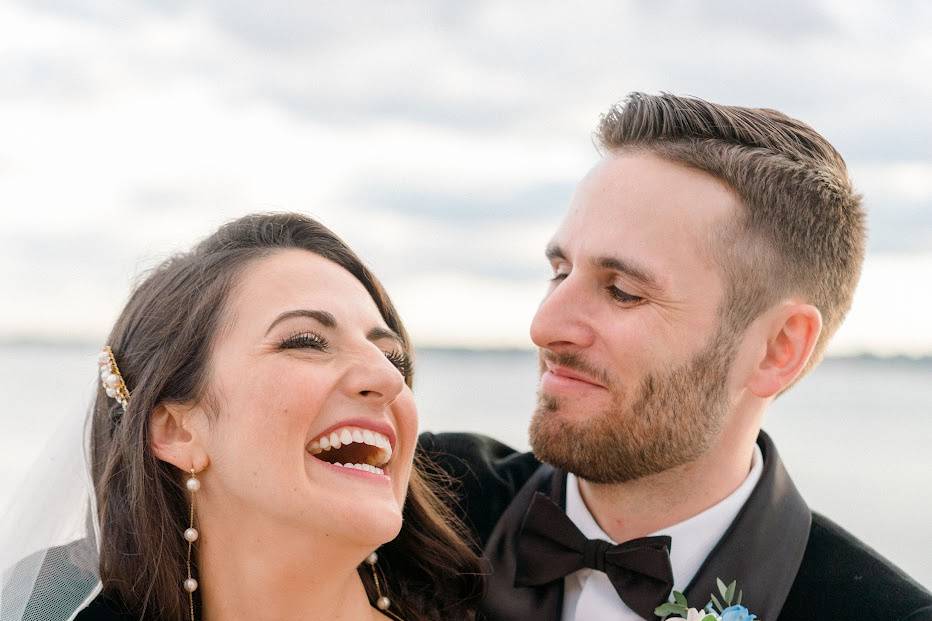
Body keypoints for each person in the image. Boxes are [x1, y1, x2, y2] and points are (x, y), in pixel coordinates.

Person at [420, 93, 932, 621]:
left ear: (778, 349)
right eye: (560, 271)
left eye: (622, 290)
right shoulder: (426, 500)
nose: (544, 327)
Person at [0, 213, 482, 621]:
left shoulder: (500, 566)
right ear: (177, 429)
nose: (389, 379)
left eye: (392, 357)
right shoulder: (56, 600)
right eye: (306, 342)